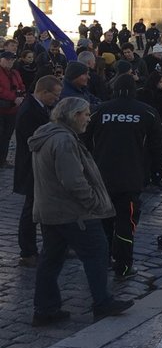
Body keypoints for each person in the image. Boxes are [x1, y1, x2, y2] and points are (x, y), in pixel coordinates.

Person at [29, 97, 134, 325]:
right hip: (72, 212)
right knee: (96, 252)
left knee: (51, 259)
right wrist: (93, 202)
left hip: (51, 209)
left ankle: (45, 308)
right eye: (86, 114)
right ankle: (102, 302)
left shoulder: (48, 134)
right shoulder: (64, 140)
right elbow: (73, 180)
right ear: (74, 115)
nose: (88, 118)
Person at [85, 74, 162, 279]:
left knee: (103, 222)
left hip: (101, 176)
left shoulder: (99, 110)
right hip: (131, 177)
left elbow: (84, 141)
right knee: (125, 223)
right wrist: (158, 172)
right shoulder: (147, 112)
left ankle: (103, 260)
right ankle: (123, 265)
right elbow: (158, 146)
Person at [13, 75, 62, 267]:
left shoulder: (39, 107)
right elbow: (36, 140)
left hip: (38, 166)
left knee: (38, 207)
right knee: (31, 209)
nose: (56, 99)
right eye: (55, 95)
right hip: (31, 167)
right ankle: (27, 251)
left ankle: (42, 248)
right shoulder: (29, 111)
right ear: (44, 92)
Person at [0, 49, 26, 167]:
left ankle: (2, 160)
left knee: (7, 136)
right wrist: (13, 97)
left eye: (12, 60)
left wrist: (21, 96)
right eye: (7, 59)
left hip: (12, 110)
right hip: (2, 109)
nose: (10, 62)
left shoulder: (15, 73)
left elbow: (21, 85)